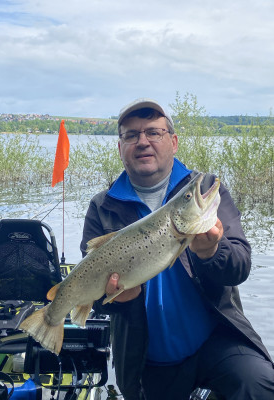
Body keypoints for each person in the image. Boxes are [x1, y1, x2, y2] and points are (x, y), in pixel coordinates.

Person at [80, 98, 274, 400]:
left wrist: (212, 253)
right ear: (120, 149)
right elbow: (98, 300)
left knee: (259, 384)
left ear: (174, 142)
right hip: (146, 357)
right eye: (131, 135)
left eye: (153, 132)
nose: (142, 141)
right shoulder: (102, 207)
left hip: (216, 341)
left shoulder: (206, 188)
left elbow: (240, 265)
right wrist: (120, 299)